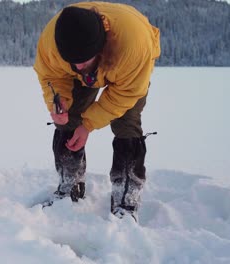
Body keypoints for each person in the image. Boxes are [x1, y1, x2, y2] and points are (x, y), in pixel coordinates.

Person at [33, 2, 160, 222]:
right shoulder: (51, 43)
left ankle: (126, 200)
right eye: (72, 62)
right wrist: (58, 103)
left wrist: (88, 125)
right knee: (66, 118)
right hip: (90, 62)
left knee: (126, 124)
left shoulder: (133, 46)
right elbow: (51, 77)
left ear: (100, 47)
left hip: (127, 71)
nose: (79, 67)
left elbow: (125, 94)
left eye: (83, 61)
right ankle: (69, 186)